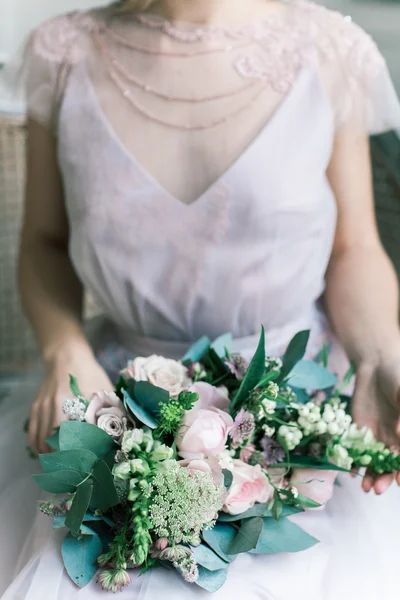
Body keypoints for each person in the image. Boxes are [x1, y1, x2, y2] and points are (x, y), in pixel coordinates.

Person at [1, 0, 400, 597]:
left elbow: (354, 249)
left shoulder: (331, 53)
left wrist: (380, 357)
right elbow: (44, 244)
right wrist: (63, 351)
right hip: (112, 405)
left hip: (300, 412)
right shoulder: (60, 55)